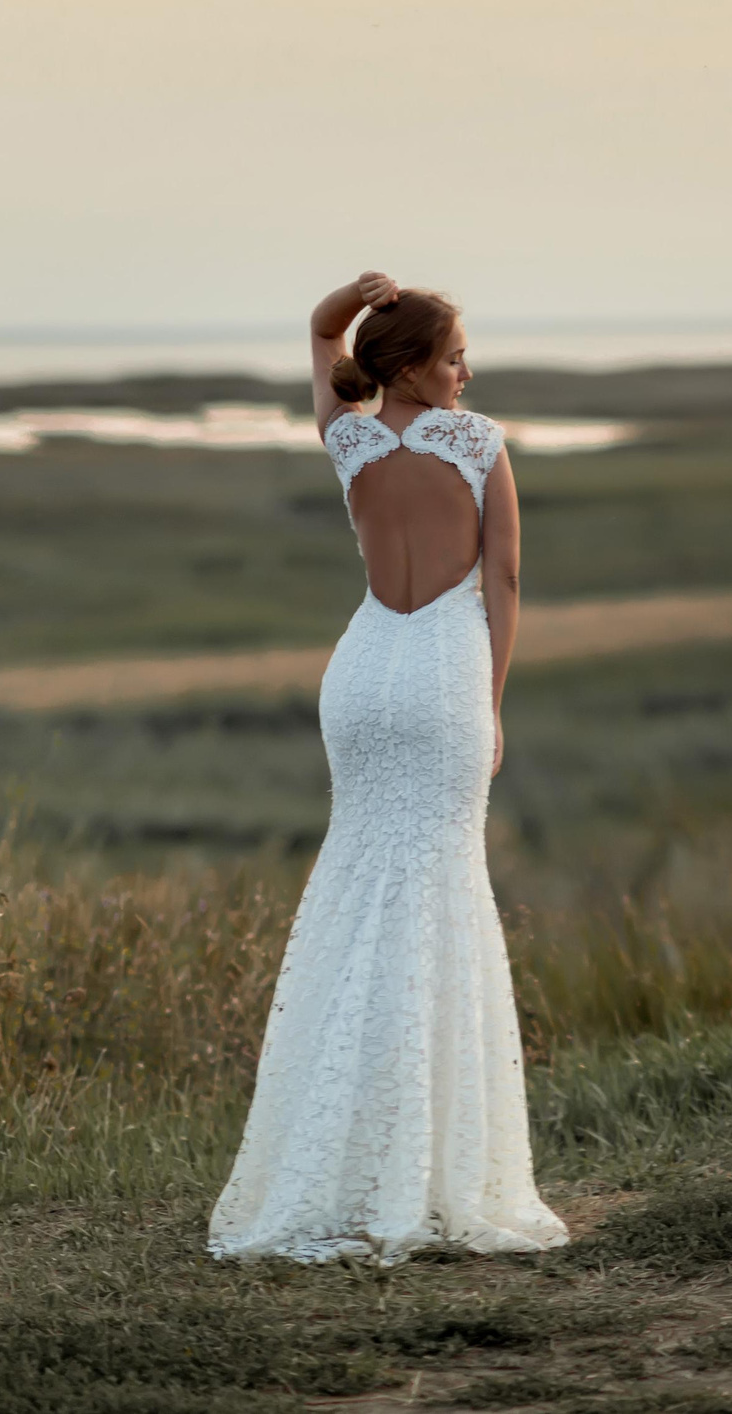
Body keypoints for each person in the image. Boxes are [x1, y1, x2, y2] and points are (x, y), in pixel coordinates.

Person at [207, 271, 567, 1264]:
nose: (466, 372)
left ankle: (341, 1152)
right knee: (440, 893)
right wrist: (490, 703)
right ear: (410, 365)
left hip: (364, 675)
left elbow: (322, 335)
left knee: (359, 889)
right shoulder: (478, 442)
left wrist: (353, 295)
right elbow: (503, 577)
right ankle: (437, 1168)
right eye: (453, 355)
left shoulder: (349, 439)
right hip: (444, 671)